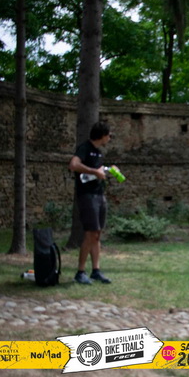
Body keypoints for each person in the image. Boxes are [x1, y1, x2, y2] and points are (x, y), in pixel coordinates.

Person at [68, 121, 117, 285]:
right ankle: (80, 272)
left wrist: (109, 170)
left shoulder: (99, 153)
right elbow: (73, 165)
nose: (110, 138)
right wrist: (94, 171)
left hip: (99, 194)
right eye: (109, 135)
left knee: (97, 234)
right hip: (87, 196)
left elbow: (98, 172)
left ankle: (96, 271)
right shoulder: (85, 148)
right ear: (102, 135)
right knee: (90, 233)